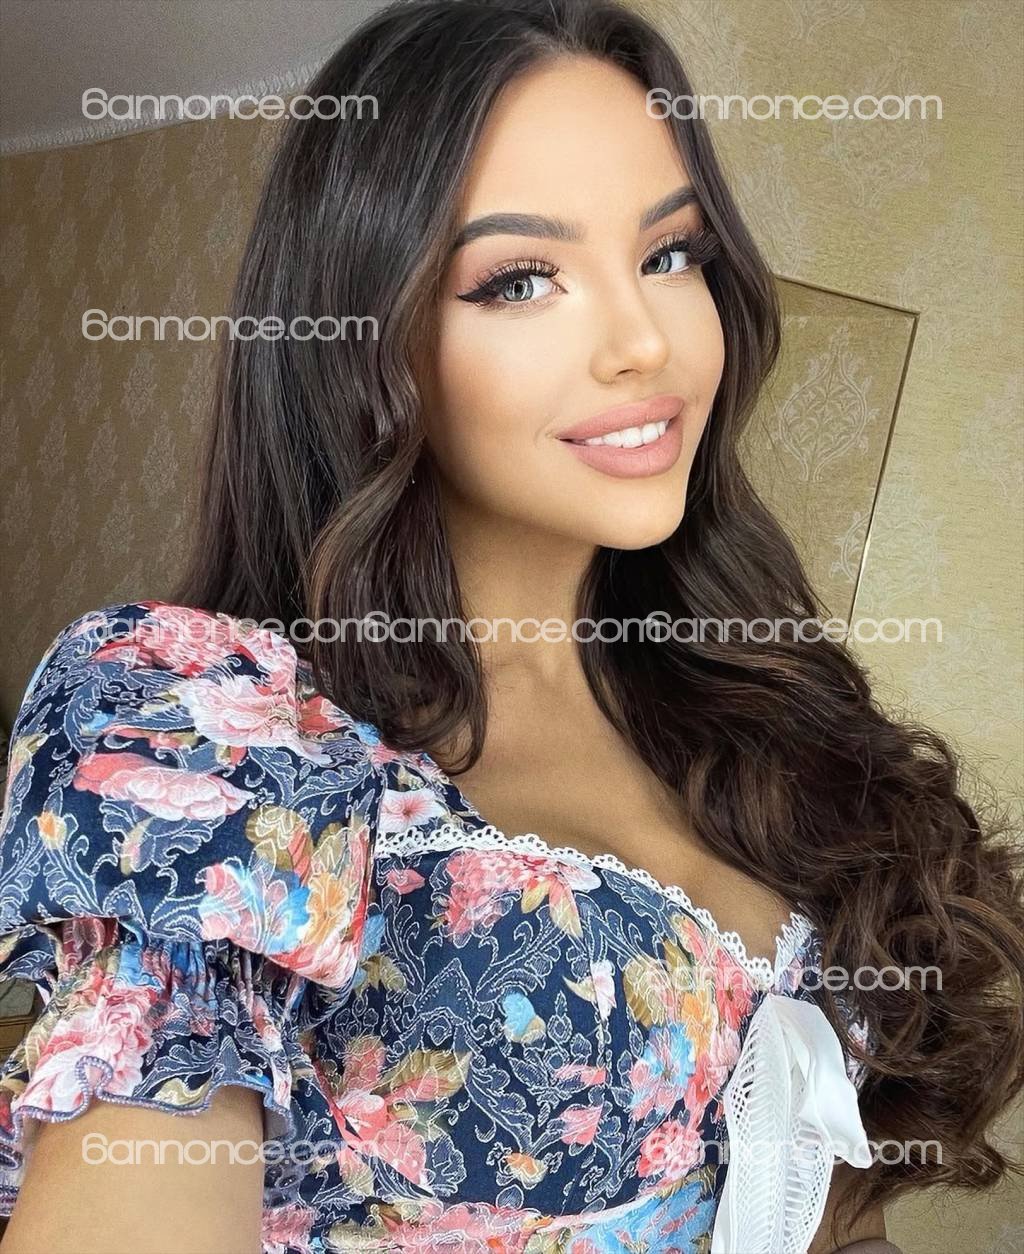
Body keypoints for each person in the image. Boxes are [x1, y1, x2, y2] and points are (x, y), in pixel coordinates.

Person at [1, 2, 1020, 1251]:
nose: (642, 342)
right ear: (361, 343)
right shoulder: (213, 730)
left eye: (671, 255)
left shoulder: (759, 707)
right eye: (520, 280)